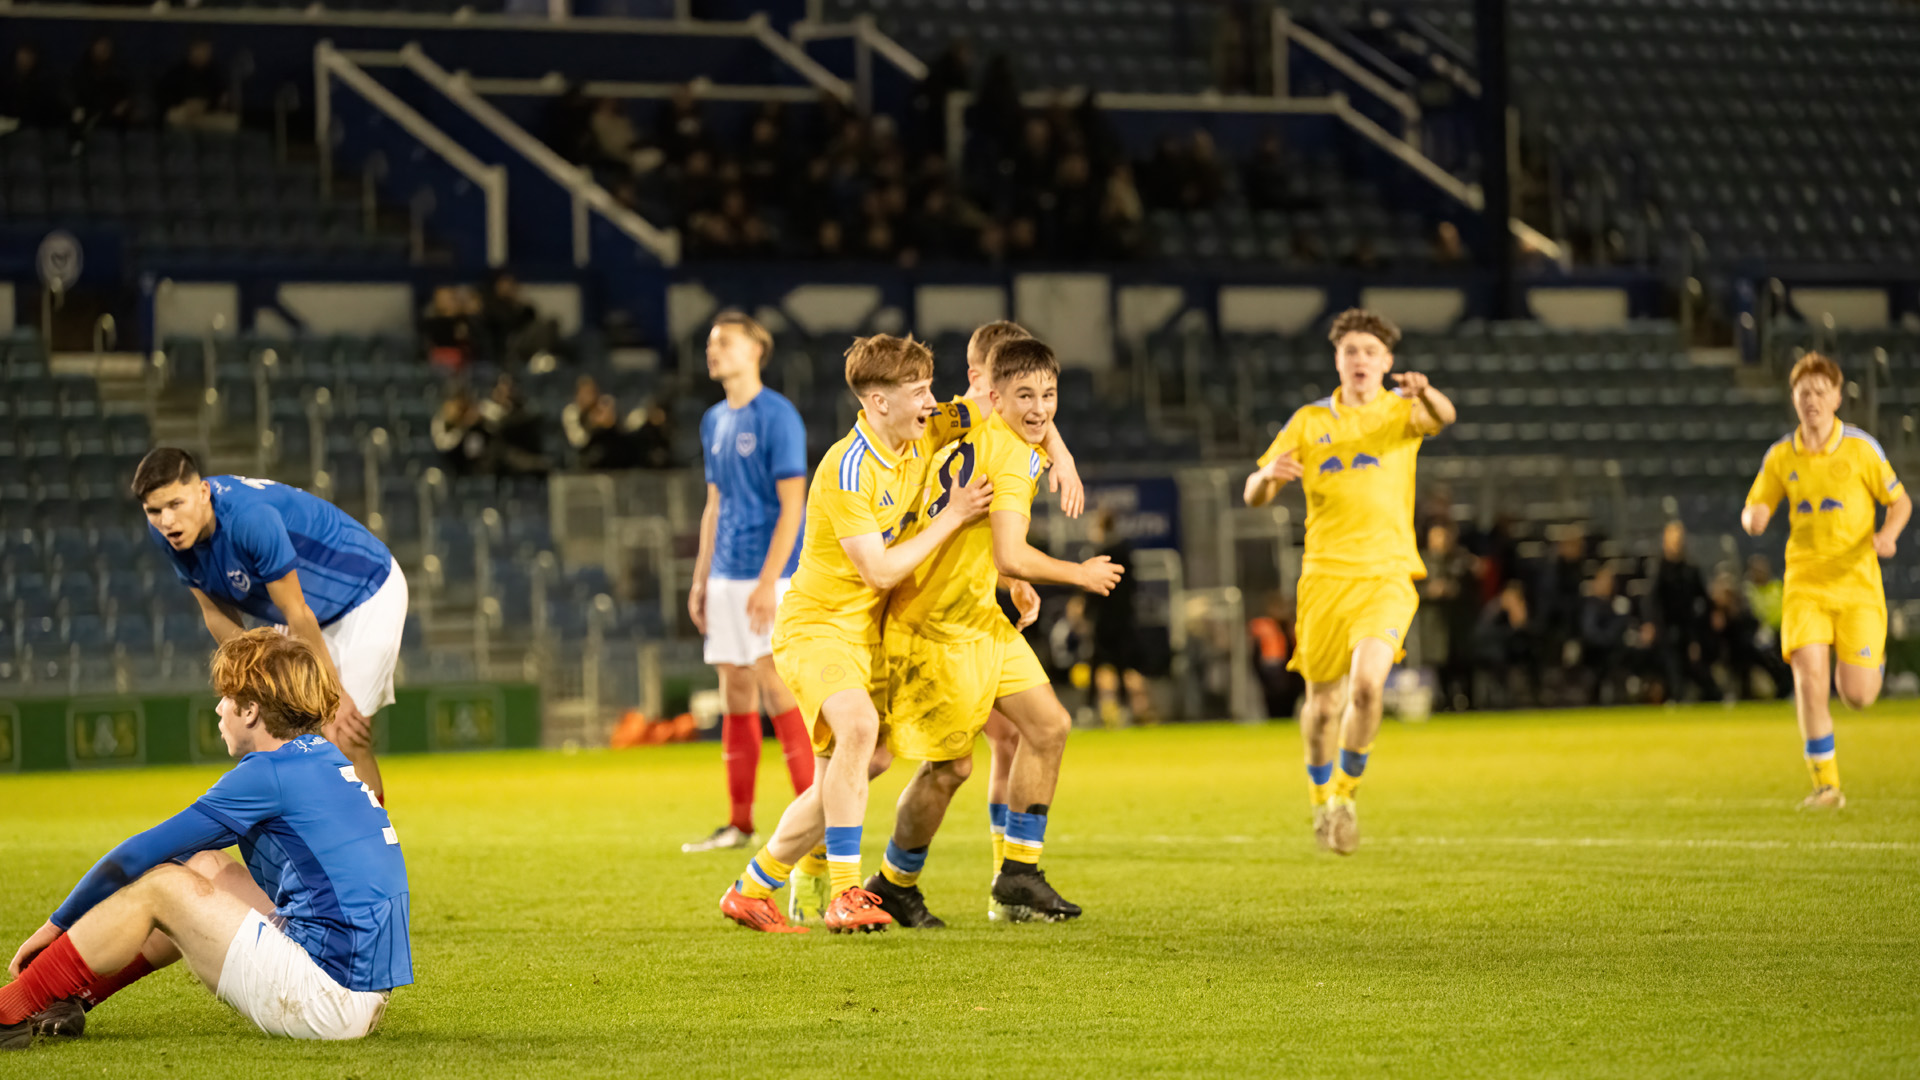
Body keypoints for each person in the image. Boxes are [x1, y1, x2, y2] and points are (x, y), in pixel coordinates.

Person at [0, 630, 408, 1047]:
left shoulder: (267, 774)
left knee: (162, 886)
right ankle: (68, 998)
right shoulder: (322, 755)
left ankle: (10, 1008)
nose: (218, 707)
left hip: (328, 1001)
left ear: (251, 710)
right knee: (204, 866)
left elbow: (136, 856)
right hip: (360, 988)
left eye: (227, 697)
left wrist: (56, 927)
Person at [718, 334, 992, 934]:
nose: (930, 402)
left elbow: (986, 401)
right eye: (917, 392)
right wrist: (954, 515)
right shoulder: (848, 469)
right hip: (815, 627)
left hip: (865, 632)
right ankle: (847, 891)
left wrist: (1057, 447)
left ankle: (752, 887)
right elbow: (882, 569)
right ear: (877, 402)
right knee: (862, 735)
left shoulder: (922, 429)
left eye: (928, 388)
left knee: (859, 767)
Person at [859, 336, 1112, 929]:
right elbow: (1013, 551)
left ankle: (1019, 873)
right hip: (936, 628)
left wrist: (1061, 451)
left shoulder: (975, 425)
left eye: (1049, 395)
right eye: (1026, 395)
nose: (1040, 409)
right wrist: (1078, 572)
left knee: (1049, 727)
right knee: (949, 770)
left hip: (979, 618)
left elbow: (997, 543)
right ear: (993, 395)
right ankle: (892, 884)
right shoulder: (1009, 455)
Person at [1243, 308, 1456, 855]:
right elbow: (1254, 493)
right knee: (1321, 706)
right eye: (1350, 351)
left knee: (1366, 686)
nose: (1359, 359)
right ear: (1337, 360)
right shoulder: (1309, 421)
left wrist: (1426, 393)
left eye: (1370, 351)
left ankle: (1344, 795)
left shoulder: (1403, 411)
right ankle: (1320, 804)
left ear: (1386, 362)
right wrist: (1268, 477)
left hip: (1386, 574)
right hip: (1323, 579)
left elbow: (1444, 416)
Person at [132, 449, 405, 803]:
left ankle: (372, 852)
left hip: (366, 592)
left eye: (175, 504)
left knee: (341, 734)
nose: (166, 521)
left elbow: (298, 613)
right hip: (304, 613)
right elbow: (215, 610)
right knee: (278, 732)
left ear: (202, 493)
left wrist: (332, 697)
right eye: (154, 511)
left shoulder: (250, 519)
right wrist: (258, 679)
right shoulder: (170, 535)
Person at [1740, 352, 1909, 809]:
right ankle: (1826, 785)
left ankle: (1867, 665)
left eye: (1820, 391)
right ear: (1793, 398)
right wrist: (1753, 517)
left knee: (1858, 695)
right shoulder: (1780, 456)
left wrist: (1888, 535)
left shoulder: (1860, 448)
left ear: (1837, 396)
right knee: (1809, 678)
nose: (1811, 399)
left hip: (1857, 585)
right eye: (1803, 392)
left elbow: (1900, 502)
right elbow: (1756, 503)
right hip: (1805, 585)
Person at [681, 313, 816, 854]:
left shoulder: (778, 415)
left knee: (776, 684)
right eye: (711, 343)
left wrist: (769, 580)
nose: (714, 351)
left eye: (725, 342)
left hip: (770, 575)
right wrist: (700, 579)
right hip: (724, 576)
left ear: (756, 350)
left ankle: (815, 814)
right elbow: (714, 505)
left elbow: (793, 507)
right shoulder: (713, 420)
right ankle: (740, 824)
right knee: (734, 689)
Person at [1645, 521, 1720, 702]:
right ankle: (1676, 697)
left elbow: (1702, 596)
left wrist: (1716, 612)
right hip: (1666, 626)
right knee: (1672, 665)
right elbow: (1652, 599)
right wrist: (1651, 623)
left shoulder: (1690, 569)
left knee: (1695, 664)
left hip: (1688, 627)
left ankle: (1716, 696)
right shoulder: (1659, 568)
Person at [158, 38, 232, 132]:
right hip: (182, 114)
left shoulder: (215, 73)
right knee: (174, 119)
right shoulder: (177, 72)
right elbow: (165, 97)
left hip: (207, 116)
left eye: (206, 50)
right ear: (191, 50)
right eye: (199, 49)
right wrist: (185, 106)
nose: (202, 53)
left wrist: (205, 105)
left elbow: (221, 98)